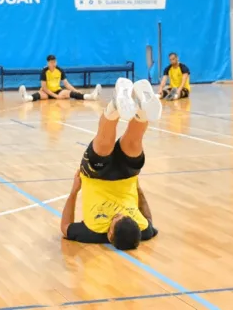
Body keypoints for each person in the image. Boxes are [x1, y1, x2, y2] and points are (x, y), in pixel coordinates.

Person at [60, 78, 160, 249]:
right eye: (124, 215)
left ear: (110, 234)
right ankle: (128, 108)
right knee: (132, 144)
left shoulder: (93, 231)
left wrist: (74, 191)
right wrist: (138, 188)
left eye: (115, 218)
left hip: (104, 175)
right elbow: (148, 220)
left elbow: (66, 227)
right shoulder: (141, 228)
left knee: (107, 146)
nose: (118, 213)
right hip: (120, 177)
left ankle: (132, 110)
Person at [19, 55, 101, 102]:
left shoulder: (60, 70)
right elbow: (44, 87)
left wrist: (76, 90)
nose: (53, 64)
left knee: (69, 93)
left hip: (58, 91)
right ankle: (26, 97)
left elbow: (66, 84)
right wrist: (55, 96)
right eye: (51, 62)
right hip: (47, 92)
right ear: (48, 63)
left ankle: (90, 96)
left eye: (54, 61)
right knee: (39, 95)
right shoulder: (44, 71)